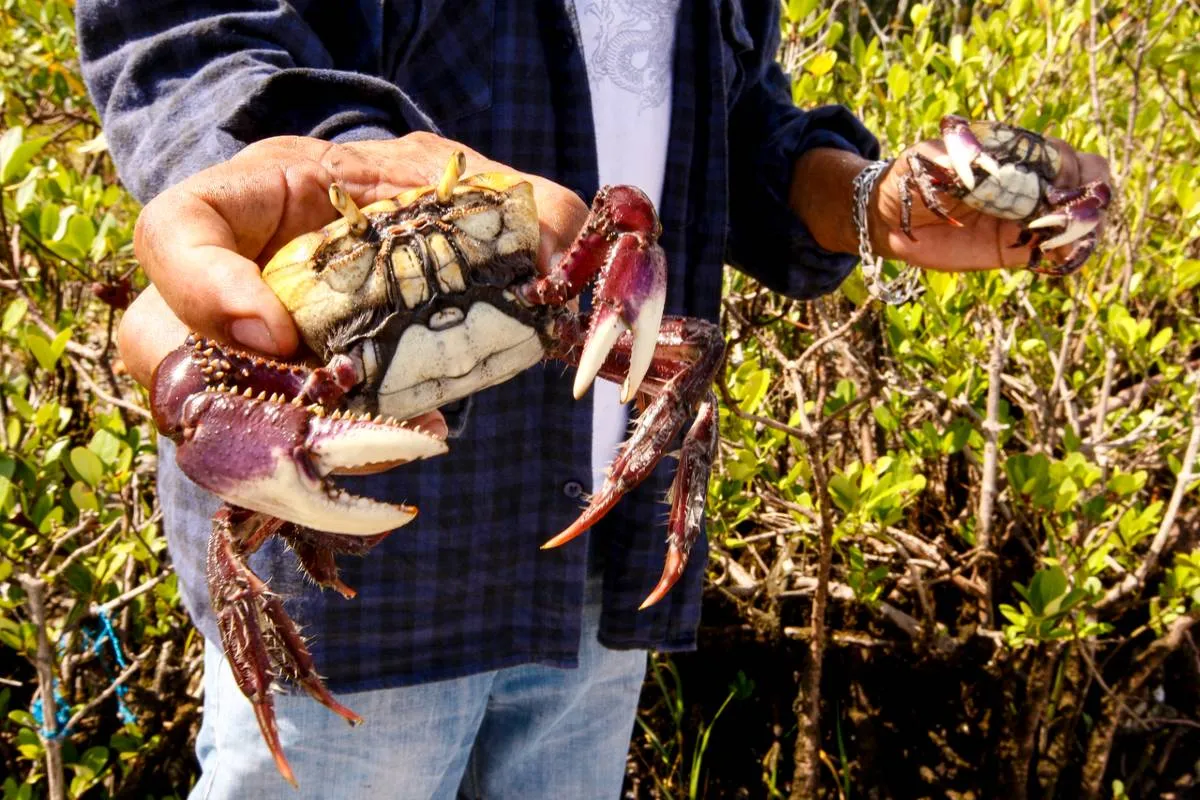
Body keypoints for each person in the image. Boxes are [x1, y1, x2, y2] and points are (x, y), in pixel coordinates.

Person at [77, 1, 1110, 797]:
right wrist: (349, 167)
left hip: (599, 561)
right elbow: (192, 38)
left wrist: (872, 200)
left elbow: (725, 124)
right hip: (364, 585)